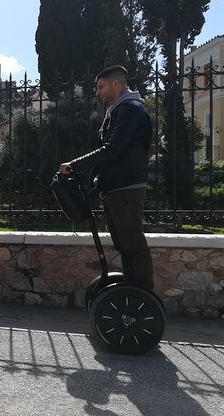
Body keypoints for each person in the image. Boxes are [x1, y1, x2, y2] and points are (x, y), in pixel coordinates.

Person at [59, 65, 154, 290]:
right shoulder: (118, 110)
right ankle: (132, 291)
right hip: (116, 186)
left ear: (116, 84)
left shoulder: (130, 108)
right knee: (124, 245)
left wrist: (74, 165)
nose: (98, 92)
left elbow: (113, 149)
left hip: (125, 186)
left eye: (101, 87)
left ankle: (143, 295)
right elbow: (110, 152)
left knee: (133, 245)